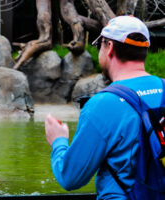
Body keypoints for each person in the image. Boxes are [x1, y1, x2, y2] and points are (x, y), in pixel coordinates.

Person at [45, 15, 164, 199]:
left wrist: (58, 141)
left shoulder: (103, 104)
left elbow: (70, 178)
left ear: (109, 47)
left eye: (100, 45)